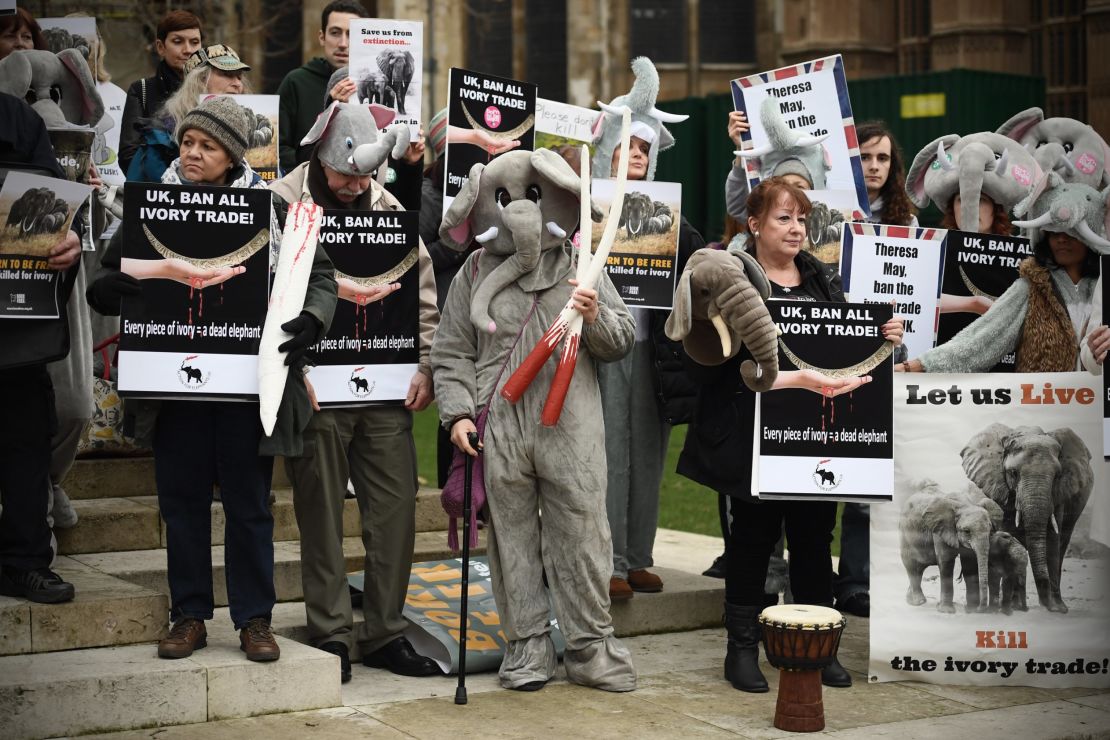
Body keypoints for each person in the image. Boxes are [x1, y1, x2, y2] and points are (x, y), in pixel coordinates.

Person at [87, 96, 338, 662]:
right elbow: (110, 269)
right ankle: (190, 614)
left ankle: (255, 620)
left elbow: (319, 277)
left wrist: (311, 320)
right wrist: (105, 289)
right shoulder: (150, 206)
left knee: (250, 505)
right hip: (174, 389)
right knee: (182, 502)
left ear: (232, 155)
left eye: (208, 145)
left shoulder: (273, 211)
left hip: (246, 385)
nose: (194, 154)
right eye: (188, 144)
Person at [679, 178, 904, 694]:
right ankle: (741, 649)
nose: (796, 228)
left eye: (802, 218)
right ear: (754, 224)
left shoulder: (823, 281)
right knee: (753, 541)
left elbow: (843, 350)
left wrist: (884, 334)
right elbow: (710, 363)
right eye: (783, 218)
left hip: (813, 439)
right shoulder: (727, 277)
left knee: (812, 538)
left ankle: (816, 646)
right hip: (750, 438)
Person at [432, 146, 637, 692]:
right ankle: (527, 645)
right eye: (503, 199)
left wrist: (594, 318)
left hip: (569, 424)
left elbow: (620, 340)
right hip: (498, 424)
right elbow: (450, 351)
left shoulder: (581, 265)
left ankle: (590, 643)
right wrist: (455, 414)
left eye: (531, 196)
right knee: (512, 537)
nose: (517, 208)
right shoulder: (473, 272)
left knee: (582, 530)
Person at [271, 100, 441, 683]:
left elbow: (420, 293)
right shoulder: (281, 202)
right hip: (315, 386)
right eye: (345, 174)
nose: (354, 185)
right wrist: (289, 377)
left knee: (394, 511)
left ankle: (386, 631)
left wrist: (426, 366)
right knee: (319, 513)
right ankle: (332, 634)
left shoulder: (388, 207)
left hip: (388, 390)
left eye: (365, 175)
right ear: (319, 155)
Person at [591, 57, 703, 603]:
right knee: (607, 454)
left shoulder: (670, 217)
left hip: (651, 354)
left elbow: (700, 262)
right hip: (600, 352)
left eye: (644, 150)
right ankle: (607, 558)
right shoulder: (583, 210)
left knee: (647, 454)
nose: (636, 156)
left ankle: (639, 557)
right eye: (628, 147)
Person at [0, 92, 82, 604]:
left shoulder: (16, 117)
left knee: (25, 440)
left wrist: (66, 245)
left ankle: (25, 562)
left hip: (15, 326)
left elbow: (53, 205)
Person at [900, 176, 1104, 374]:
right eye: (1054, 232)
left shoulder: (1104, 287)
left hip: (1099, 405)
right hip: (1044, 405)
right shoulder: (1031, 286)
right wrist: (917, 366)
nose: (1062, 240)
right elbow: (979, 341)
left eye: (1071, 233)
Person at [127, 44, 255, 183]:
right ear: (199, 80)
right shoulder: (163, 136)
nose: (237, 84)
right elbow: (141, 192)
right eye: (228, 75)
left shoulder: (254, 127)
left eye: (239, 77)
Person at [277, 0, 364, 173]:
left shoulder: (378, 85)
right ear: (322, 37)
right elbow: (278, 147)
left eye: (352, 34)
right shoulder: (296, 82)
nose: (343, 43)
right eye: (335, 33)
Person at [118, 10, 203, 175]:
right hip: (156, 194)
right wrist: (174, 182)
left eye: (194, 42)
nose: (188, 50)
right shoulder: (141, 90)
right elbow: (128, 155)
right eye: (178, 41)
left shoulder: (211, 91)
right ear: (160, 47)